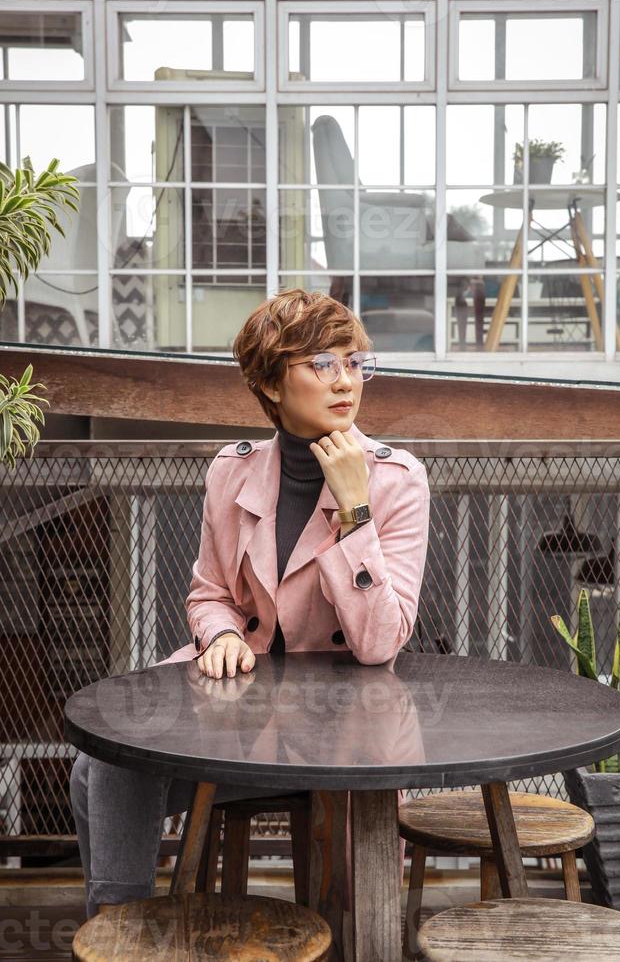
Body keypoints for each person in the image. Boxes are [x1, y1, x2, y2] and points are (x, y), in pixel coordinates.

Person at [69, 287, 431, 917]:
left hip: (341, 726)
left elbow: (378, 646)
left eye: (355, 363)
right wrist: (223, 636)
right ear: (269, 383)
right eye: (322, 365)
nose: (346, 381)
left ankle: (127, 922)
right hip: (242, 711)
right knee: (105, 757)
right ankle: (121, 928)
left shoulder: (396, 479)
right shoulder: (230, 471)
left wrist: (355, 510)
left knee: (99, 773)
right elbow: (210, 592)